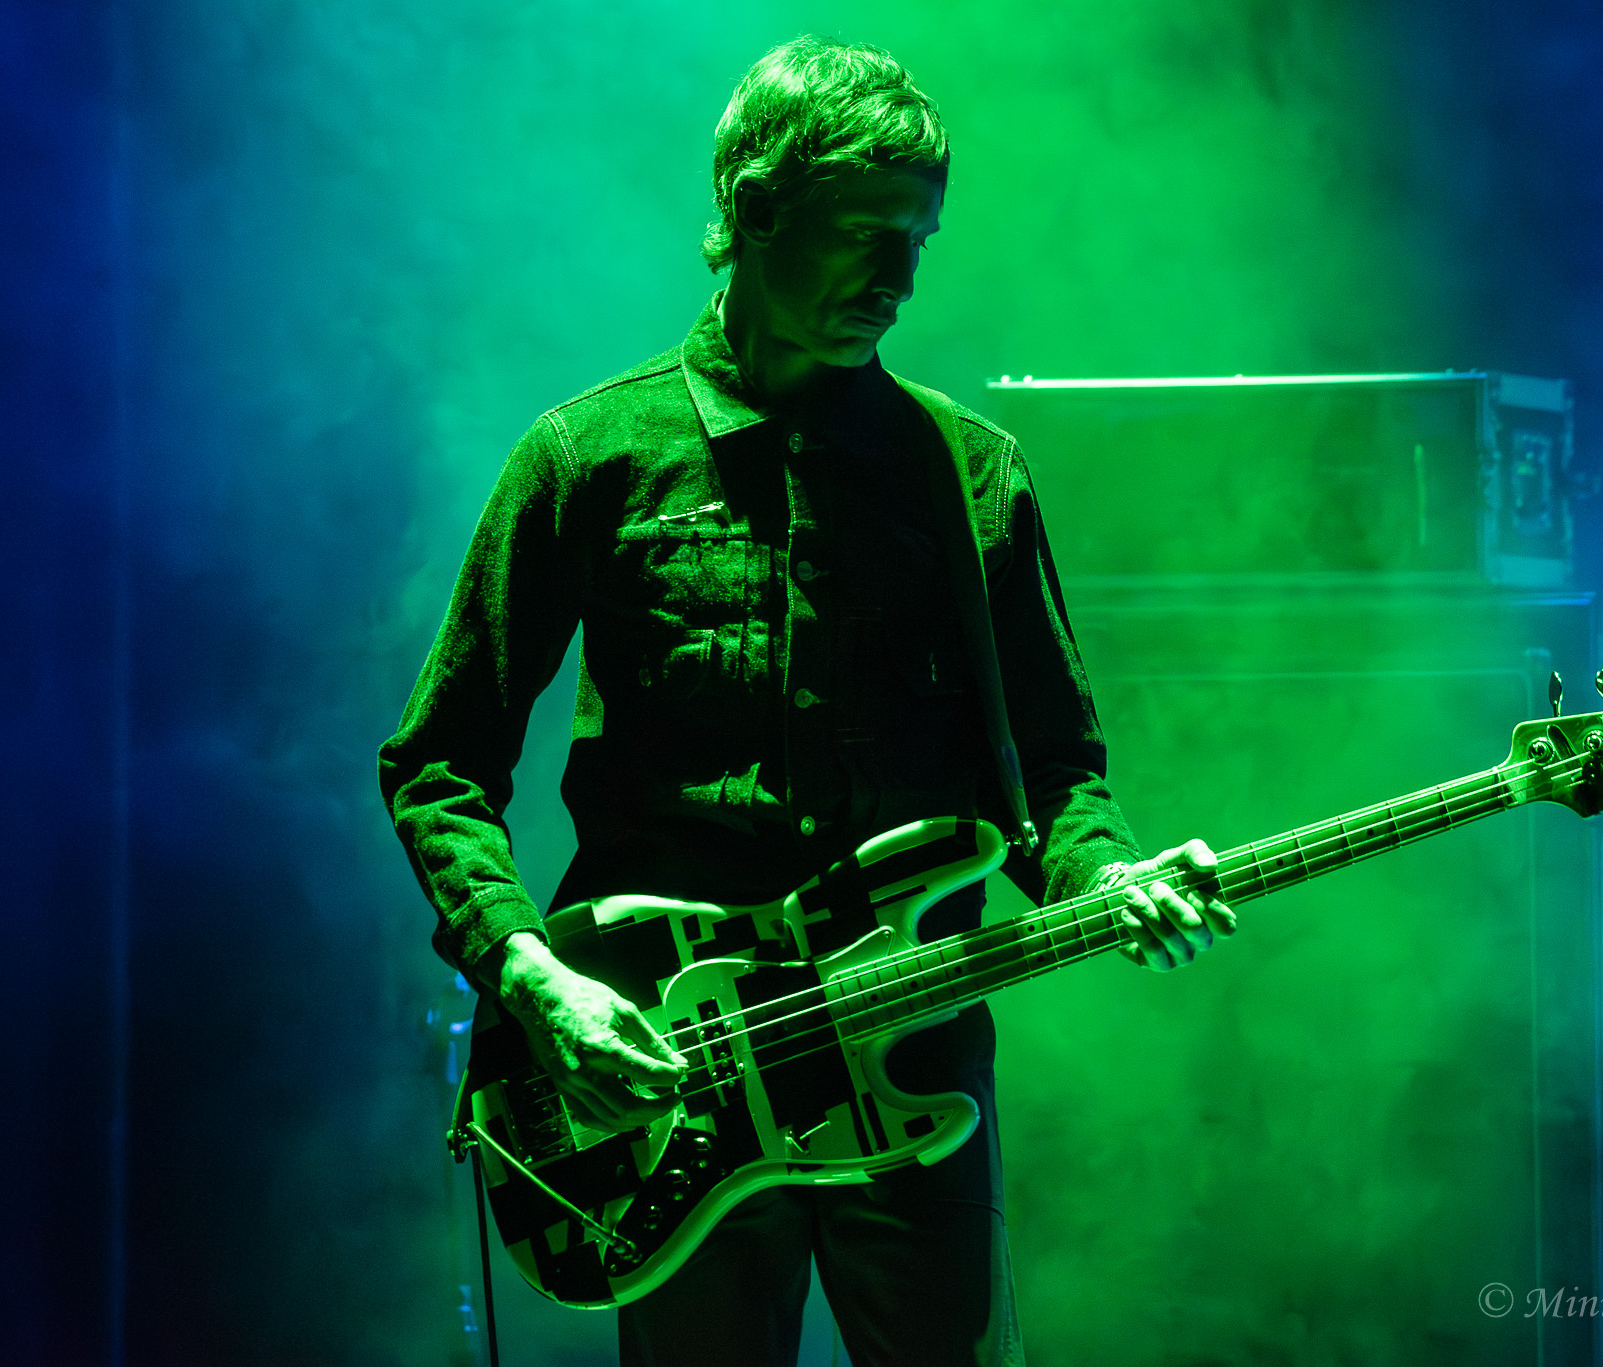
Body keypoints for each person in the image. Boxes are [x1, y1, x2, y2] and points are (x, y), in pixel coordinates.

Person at [379, 35, 1236, 1367]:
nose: (898, 277)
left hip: (912, 1048)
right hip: (673, 1069)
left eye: (918, 239)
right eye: (861, 232)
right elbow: (440, 764)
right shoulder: (588, 459)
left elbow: (1057, 773)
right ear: (753, 210)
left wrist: (1107, 877)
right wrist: (536, 980)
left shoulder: (971, 477)